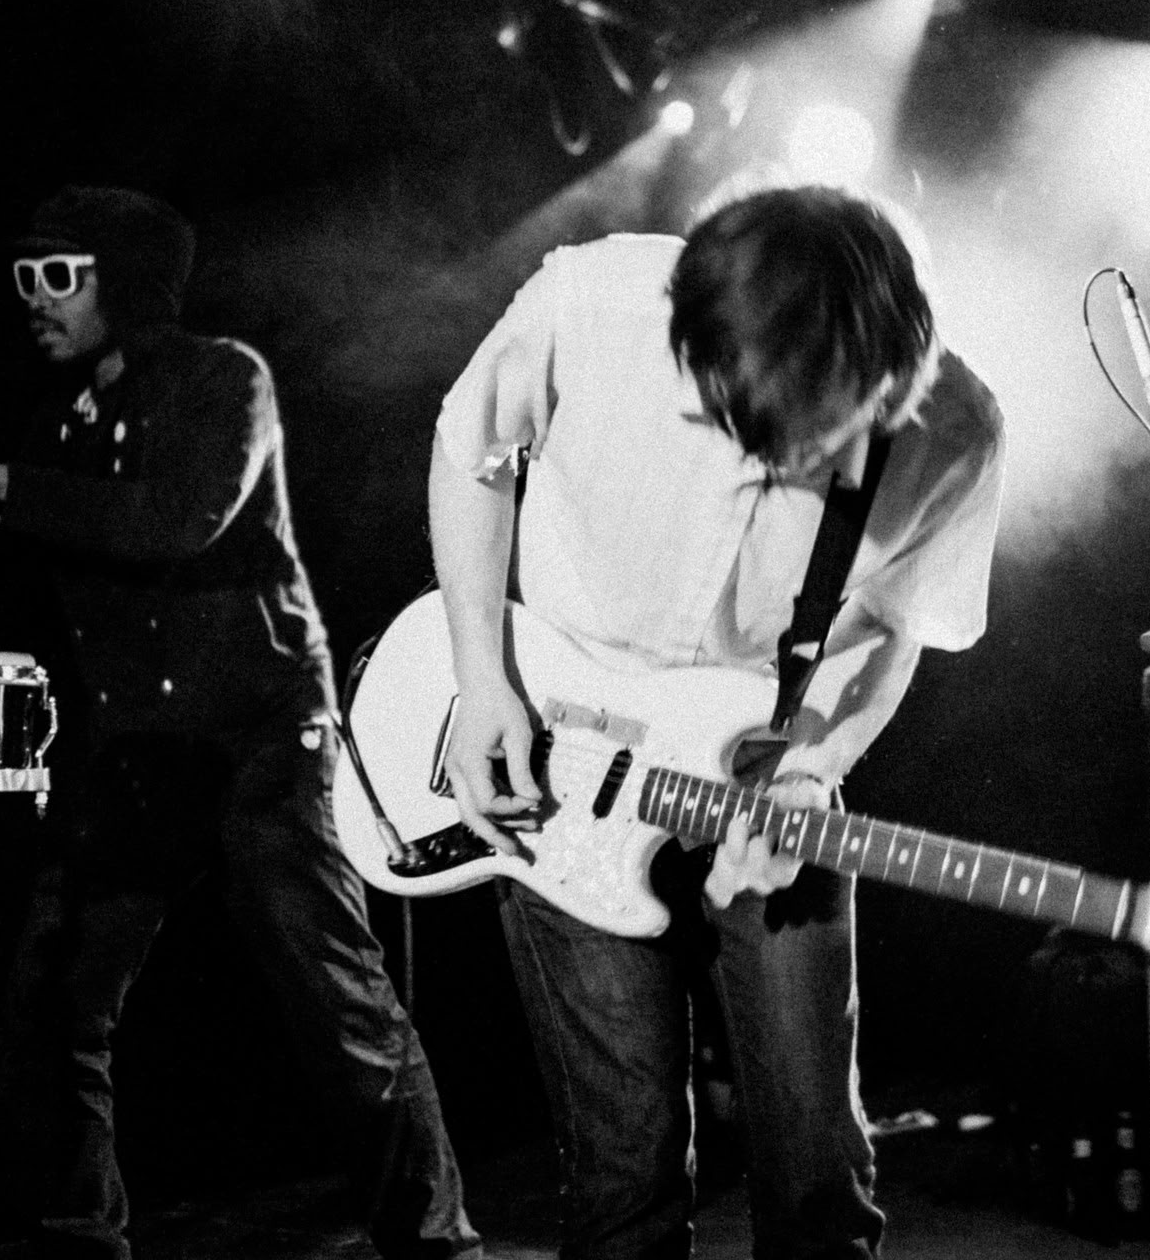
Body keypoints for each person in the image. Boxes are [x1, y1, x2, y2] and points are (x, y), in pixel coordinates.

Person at [0, 185, 477, 1260]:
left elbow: (174, 518)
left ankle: (435, 1243)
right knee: (50, 1010)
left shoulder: (229, 379)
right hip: (140, 755)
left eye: (57, 276)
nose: (32, 299)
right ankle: (81, 1240)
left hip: (259, 738)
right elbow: (19, 521)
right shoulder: (60, 420)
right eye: (24, 278)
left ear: (121, 281)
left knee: (340, 1012)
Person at [426, 184, 1005, 1260]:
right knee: (622, 1171)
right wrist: (480, 677)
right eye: (713, 421)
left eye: (789, 446)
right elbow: (471, 454)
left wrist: (808, 769)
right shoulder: (594, 302)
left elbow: (892, 629)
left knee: (819, 1171)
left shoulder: (957, 431)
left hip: (766, 769)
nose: (745, 462)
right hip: (566, 759)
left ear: (887, 391)